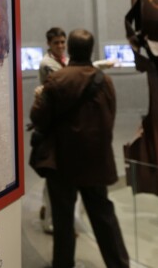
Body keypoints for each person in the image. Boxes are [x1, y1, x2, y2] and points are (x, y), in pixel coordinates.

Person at [30, 29, 130, 268]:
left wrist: (37, 102)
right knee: (104, 217)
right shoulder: (104, 81)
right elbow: (110, 117)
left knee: (63, 222)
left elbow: (40, 119)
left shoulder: (57, 80)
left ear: (70, 49)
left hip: (62, 162)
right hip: (95, 162)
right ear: (90, 50)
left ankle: (63, 264)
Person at [36, 26, 68, 233]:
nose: (61, 46)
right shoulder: (48, 64)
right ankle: (49, 220)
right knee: (53, 174)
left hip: (63, 125)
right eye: (56, 43)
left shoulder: (64, 61)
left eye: (63, 42)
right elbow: (64, 85)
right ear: (49, 44)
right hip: (53, 126)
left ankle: (50, 212)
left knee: (59, 175)